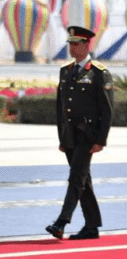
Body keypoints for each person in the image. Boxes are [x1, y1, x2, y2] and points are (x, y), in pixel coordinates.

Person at [46, 26, 114, 240]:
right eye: (70, 43)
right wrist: (62, 138)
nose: (72, 48)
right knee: (84, 181)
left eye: (76, 44)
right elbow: (60, 108)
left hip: (88, 135)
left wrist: (101, 140)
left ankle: (61, 222)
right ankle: (92, 226)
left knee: (76, 178)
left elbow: (107, 109)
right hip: (70, 136)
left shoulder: (99, 73)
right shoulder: (65, 71)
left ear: (87, 45)